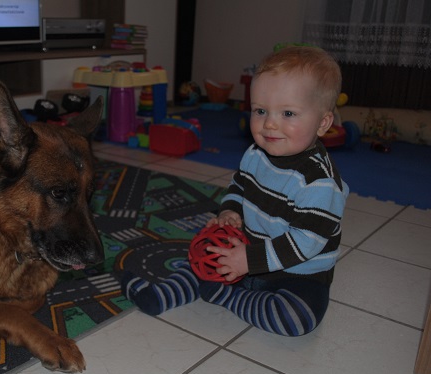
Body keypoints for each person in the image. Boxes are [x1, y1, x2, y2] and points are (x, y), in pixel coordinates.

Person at [122, 46, 349, 337]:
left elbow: (305, 243)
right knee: (205, 257)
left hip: (297, 275)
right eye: (260, 110)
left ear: (323, 123)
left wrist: (249, 261)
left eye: (288, 113)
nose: (270, 123)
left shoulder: (320, 182)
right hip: (245, 252)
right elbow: (239, 186)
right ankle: (160, 295)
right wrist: (230, 210)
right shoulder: (255, 153)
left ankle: (228, 297)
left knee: (297, 319)